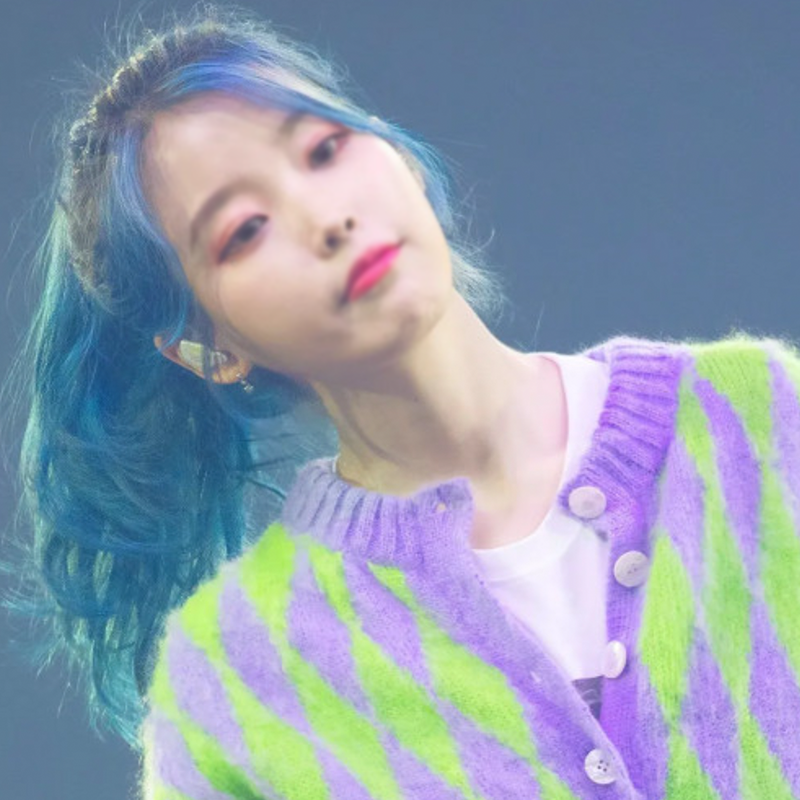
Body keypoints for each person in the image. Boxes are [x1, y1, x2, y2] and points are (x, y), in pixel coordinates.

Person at [3, 5, 800, 799]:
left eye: (324, 150)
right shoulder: (232, 689)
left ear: (400, 157)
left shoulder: (757, 416)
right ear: (206, 351)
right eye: (244, 230)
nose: (326, 219)